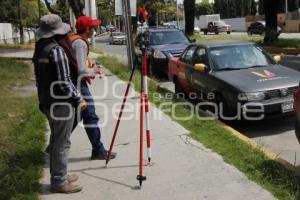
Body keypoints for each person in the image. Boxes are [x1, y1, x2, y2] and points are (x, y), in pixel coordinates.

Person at [33, 14, 87, 193]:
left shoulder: (41, 48)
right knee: (62, 143)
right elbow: (64, 82)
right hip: (61, 103)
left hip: (47, 101)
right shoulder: (56, 50)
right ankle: (59, 182)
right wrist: (79, 98)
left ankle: (60, 174)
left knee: (57, 140)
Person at [70, 15, 116, 160]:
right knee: (90, 117)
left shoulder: (74, 40)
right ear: (87, 29)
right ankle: (98, 151)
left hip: (73, 83)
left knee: (75, 118)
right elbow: (81, 70)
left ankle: (54, 145)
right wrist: (94, 71)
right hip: (78, 84)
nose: (95, 30)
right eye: (93, 27)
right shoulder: (80, 44)